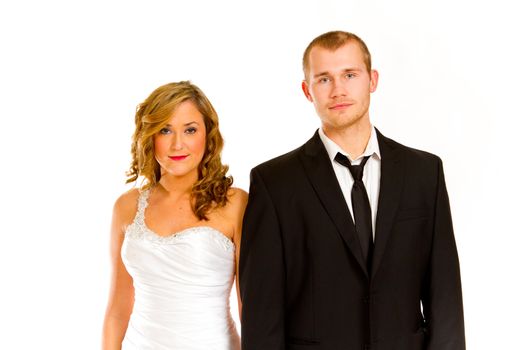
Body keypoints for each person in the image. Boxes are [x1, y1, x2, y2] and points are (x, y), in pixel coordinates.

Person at [239, 31, 465, 350]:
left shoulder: (424, 172)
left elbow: (445, 295)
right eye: (324, 79)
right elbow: (262, 314)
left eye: (349, 74)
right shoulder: (274, 182)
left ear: (372, 80)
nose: (338, 90)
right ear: (307, 90)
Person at [102, 81, 247, 350]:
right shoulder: (126, 206)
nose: (177, 144)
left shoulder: (235, 203)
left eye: (190, 130)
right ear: (150, 136)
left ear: (208, 135)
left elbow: (248, 307)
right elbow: (118, 309)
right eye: (165, 130)